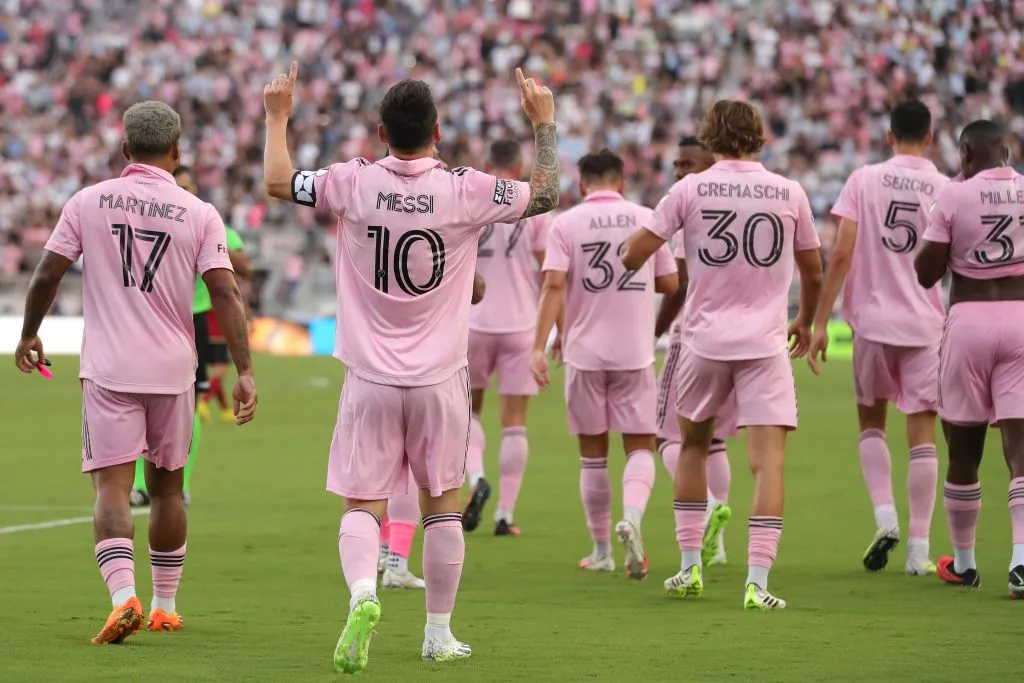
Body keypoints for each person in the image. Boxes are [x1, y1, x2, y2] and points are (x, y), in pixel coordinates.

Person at [262, 63, 559, 672]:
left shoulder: (352, 181)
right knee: (443, 506)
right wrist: (544, 125)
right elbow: (547, 192)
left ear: (379, 133)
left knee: (362, 504)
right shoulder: (466, 188)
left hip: (369, 377)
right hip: (440, 378)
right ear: (439, 131)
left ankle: (365, 593)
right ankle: (438, 633)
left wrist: (277, 116)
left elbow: (276, 181)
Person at [14, 101, 256, 644]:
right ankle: (165, 606)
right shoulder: (199, 212)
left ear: (125, 149)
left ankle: (124, 598)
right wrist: (244, 369)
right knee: (168, 492)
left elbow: (48, 273)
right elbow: (225, 290)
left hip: (110, 369)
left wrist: (30, 332)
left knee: (113, 490)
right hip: (173, 372)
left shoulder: (88, 201)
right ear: (176, 150)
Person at [622, 99, 823, 610]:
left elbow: (634, 253)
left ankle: (690, 569)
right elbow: (814, 270)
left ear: (710, 138)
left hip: (705, 341)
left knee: (690, 447)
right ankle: (758, 581)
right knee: (768, 464)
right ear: (760, 136)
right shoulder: (789, 191)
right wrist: (807, 319)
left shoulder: (690, 188)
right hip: (764, 344)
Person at [808, 100, 948, 575]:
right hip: (926, 324)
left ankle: (885, 516)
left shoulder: (864, 180)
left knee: (871, 423)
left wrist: (820, 322)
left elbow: (842, 253)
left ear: (889, 136)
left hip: (871, 321)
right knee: (923, 435)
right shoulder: (946, 187)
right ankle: (919, 551)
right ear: (930, 137)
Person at [532, 149, 678, 580]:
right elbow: (671, 283)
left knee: (592, 458)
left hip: (584, 352)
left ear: (581, 185)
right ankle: (631, 517)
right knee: (639, 446)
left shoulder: (566, 223)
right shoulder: (644, 216)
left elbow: (553, 285)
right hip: (634, 351)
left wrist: (540, 346)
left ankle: (600, 550)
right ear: (621, 182)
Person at [914, 120, 1024, 595]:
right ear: (1007, 151)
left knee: (963, 451)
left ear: (964, 151)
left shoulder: (954, 196)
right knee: (1021, 451)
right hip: (1021, 317)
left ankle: (965, 564)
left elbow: (926, 272)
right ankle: (1021, 560)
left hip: (970, 318)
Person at [129, 166, 251, 507]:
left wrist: (214, 241)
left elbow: (243, 269)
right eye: (176, 185)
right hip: (149, 320)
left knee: (189, 408)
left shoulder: (205, 221)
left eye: (187, 187)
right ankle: (140, 485)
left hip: (190, 323)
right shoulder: (144, 221)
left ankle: (179, 483)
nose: (180, 192)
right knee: (141, 404)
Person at [654, 136, 736, 566]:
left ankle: (704, 505)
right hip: (742, 339)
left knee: (668, 436)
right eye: (676, 164)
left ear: (711, 163)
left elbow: (680, 284)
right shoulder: (739, 206)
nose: (680, 172)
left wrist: (655, 329)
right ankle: (717, 542)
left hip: (695, 339)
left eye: (688, 163)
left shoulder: (690, 210)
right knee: (714, 440)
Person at [464, 139, 553, 537]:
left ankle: (477, 477)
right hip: (521, 324)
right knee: (514, 423)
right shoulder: (533, 207)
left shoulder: (472, 200)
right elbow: (551, 272)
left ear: (486, 164)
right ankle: (504, 515)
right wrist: (558, 330)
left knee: (468, 414)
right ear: (518, 169)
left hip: (473, 323)